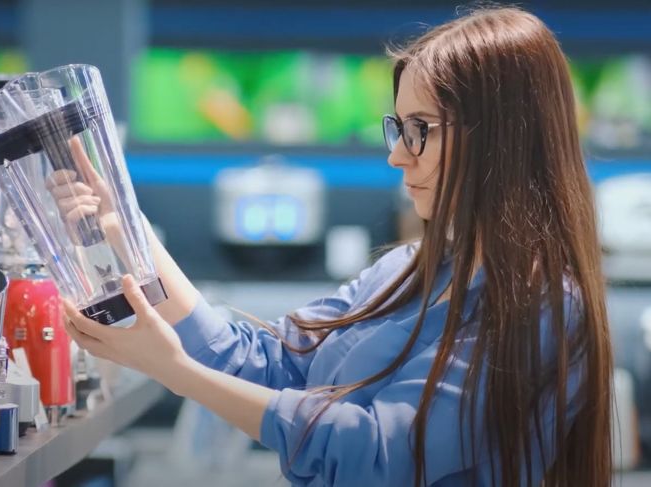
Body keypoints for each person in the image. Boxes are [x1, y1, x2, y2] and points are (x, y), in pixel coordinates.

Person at [54, 6, 613, 486]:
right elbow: (271, 367)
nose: (398, 155)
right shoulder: (407, 270)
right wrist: (130, 235)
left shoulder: (540, 307)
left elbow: (379, 455)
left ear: (496, 140)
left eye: (420, 129)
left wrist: (177, 372)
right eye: (398, 128)